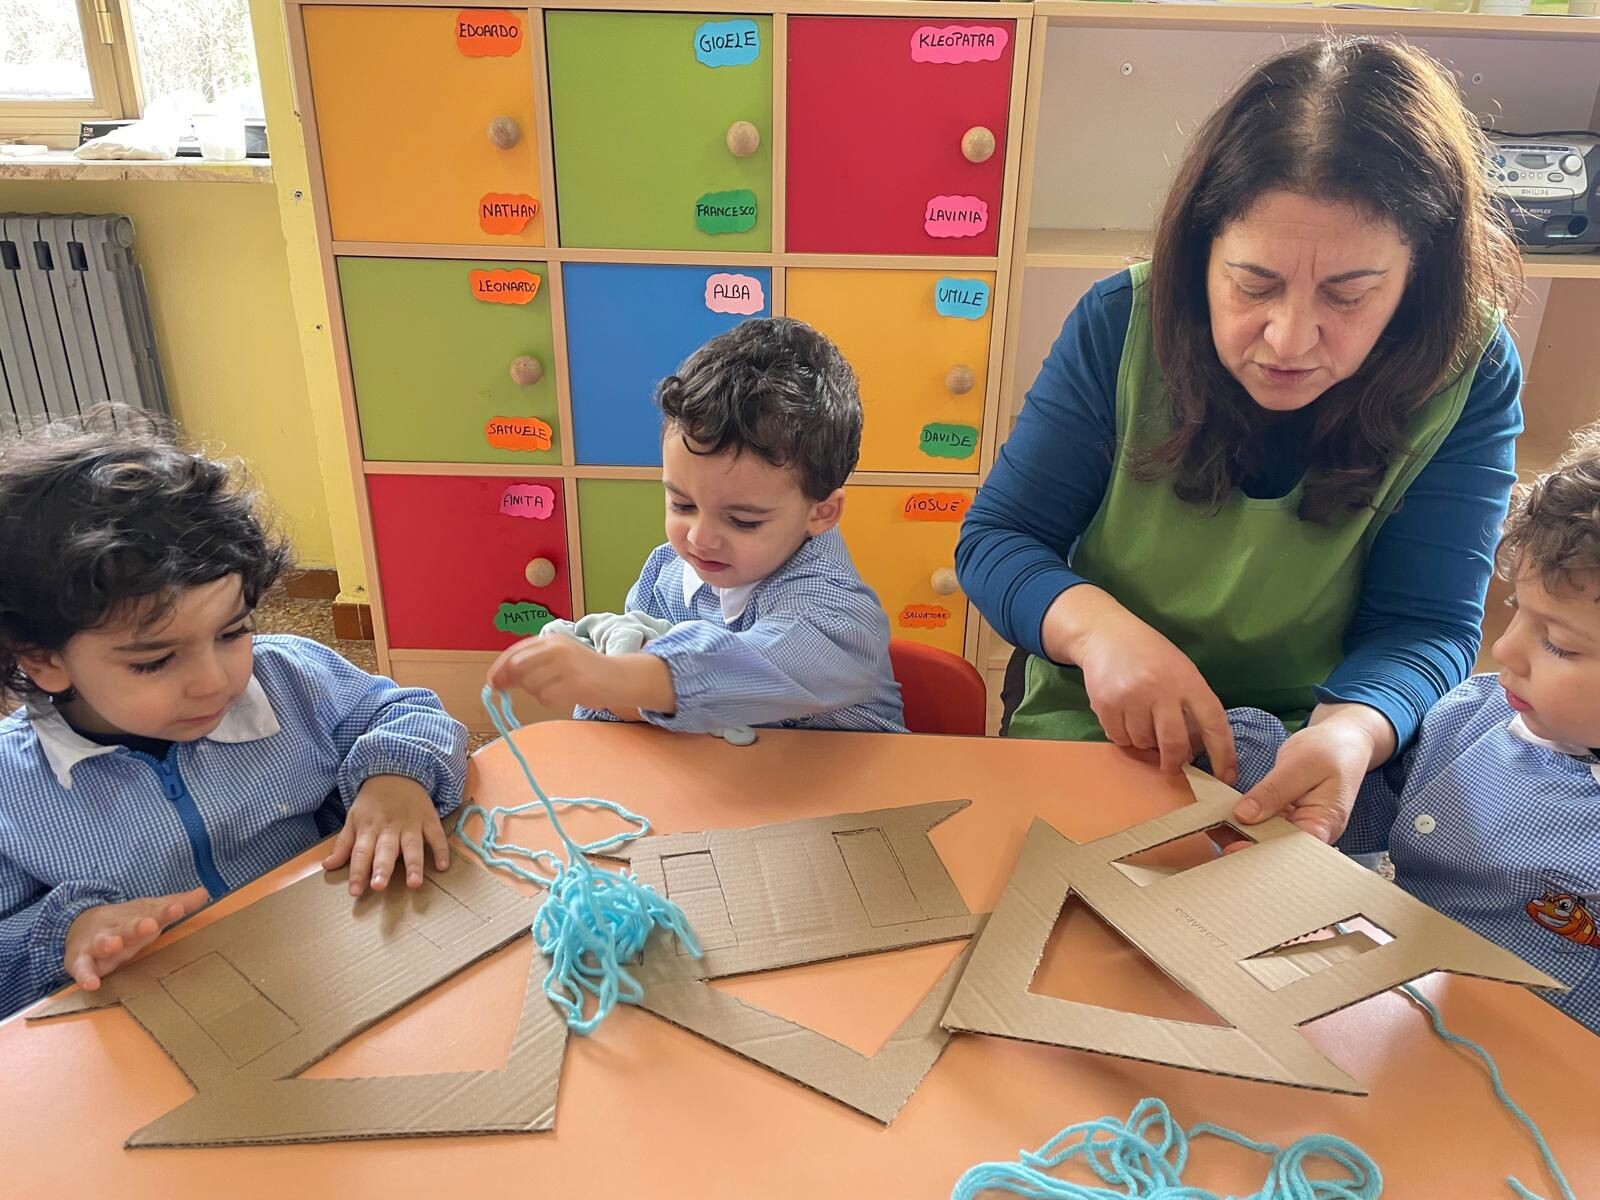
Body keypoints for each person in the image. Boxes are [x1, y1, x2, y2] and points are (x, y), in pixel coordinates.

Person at [957, 36, 1523, 844]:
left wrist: (1355, 728)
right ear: (1201, 253)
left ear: (1417, 281)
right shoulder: (1122, 323)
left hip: (1307, 748)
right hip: (1099, 733)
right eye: (1253, 283)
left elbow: (1426, 623)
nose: (1290, 339)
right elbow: (998, 539)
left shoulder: (1467, 369)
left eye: (1350, 295)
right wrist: (1097, 630)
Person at [0, 410, 467, 1019]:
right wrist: (63, 934)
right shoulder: (12, 791)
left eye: (232, 631)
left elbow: (407, 712)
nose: (215, 681)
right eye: (156, 661)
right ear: (44, 661)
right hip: (170, 1024)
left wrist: (394, 777)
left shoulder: (288, 678)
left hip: (341, 969)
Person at [1229, 424, 1600, 1032]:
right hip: (1365, 1015)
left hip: (1509, 1085)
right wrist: (1259, 757)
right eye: (1515, 612)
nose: (1503, 650)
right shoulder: (1477, 713)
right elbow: (1371, 818)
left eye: (1557, 643)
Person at [489, 317, 905, 734]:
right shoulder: (663, 575)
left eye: (743, 520)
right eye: (682, 504)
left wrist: (614, 678)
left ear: (820, 514)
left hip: (852, 786)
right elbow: (625, 714)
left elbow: (750, 666)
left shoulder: (837, 612)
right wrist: (602, 668)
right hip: (720, 784)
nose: (699, 538)